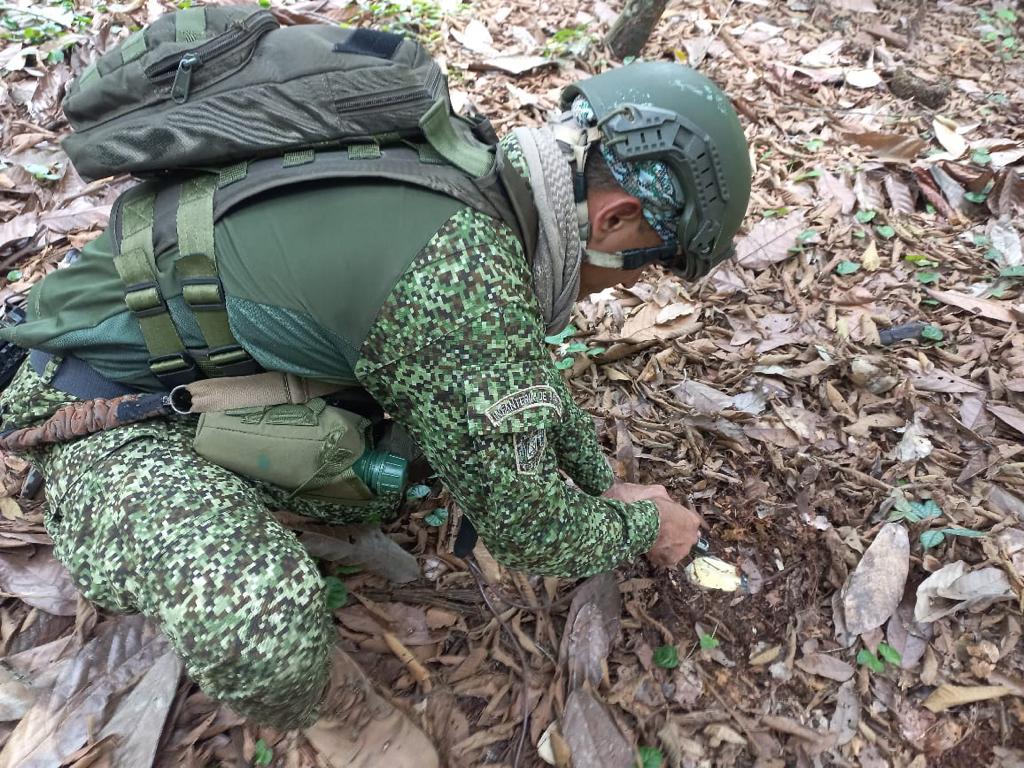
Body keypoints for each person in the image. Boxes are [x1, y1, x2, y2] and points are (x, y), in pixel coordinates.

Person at [0, 45, 751, 766]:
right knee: (260, 622)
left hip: (191, 342)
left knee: (400, 460)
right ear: (616, 221)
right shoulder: (460, 284)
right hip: (95, 406)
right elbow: (534, 535)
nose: (631, 289)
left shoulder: (475, 169)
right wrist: (649, 524)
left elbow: (512, 377)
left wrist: (594, 479)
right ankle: (328, 709)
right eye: (649, 269)